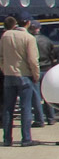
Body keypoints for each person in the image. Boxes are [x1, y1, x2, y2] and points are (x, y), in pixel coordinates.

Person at [1, 15, 41, 146]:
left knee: (8, 108)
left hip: (8, 75)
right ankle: (26, 139)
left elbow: (1, 57)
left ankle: (7, 139)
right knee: (26, 108)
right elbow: (33, 60)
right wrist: (36, 75)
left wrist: (5, 69)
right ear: (28, 23)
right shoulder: (29, 38)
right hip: (24, 75)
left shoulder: (5, 36)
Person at [28, 20, 55, 127]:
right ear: (39, 28)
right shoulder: (47, 40)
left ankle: (39, 120)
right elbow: (52, 55)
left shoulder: (29, 40)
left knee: (36, 97)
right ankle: (51, 118)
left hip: (35, 70)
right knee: (47, 96)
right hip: (47, 68)